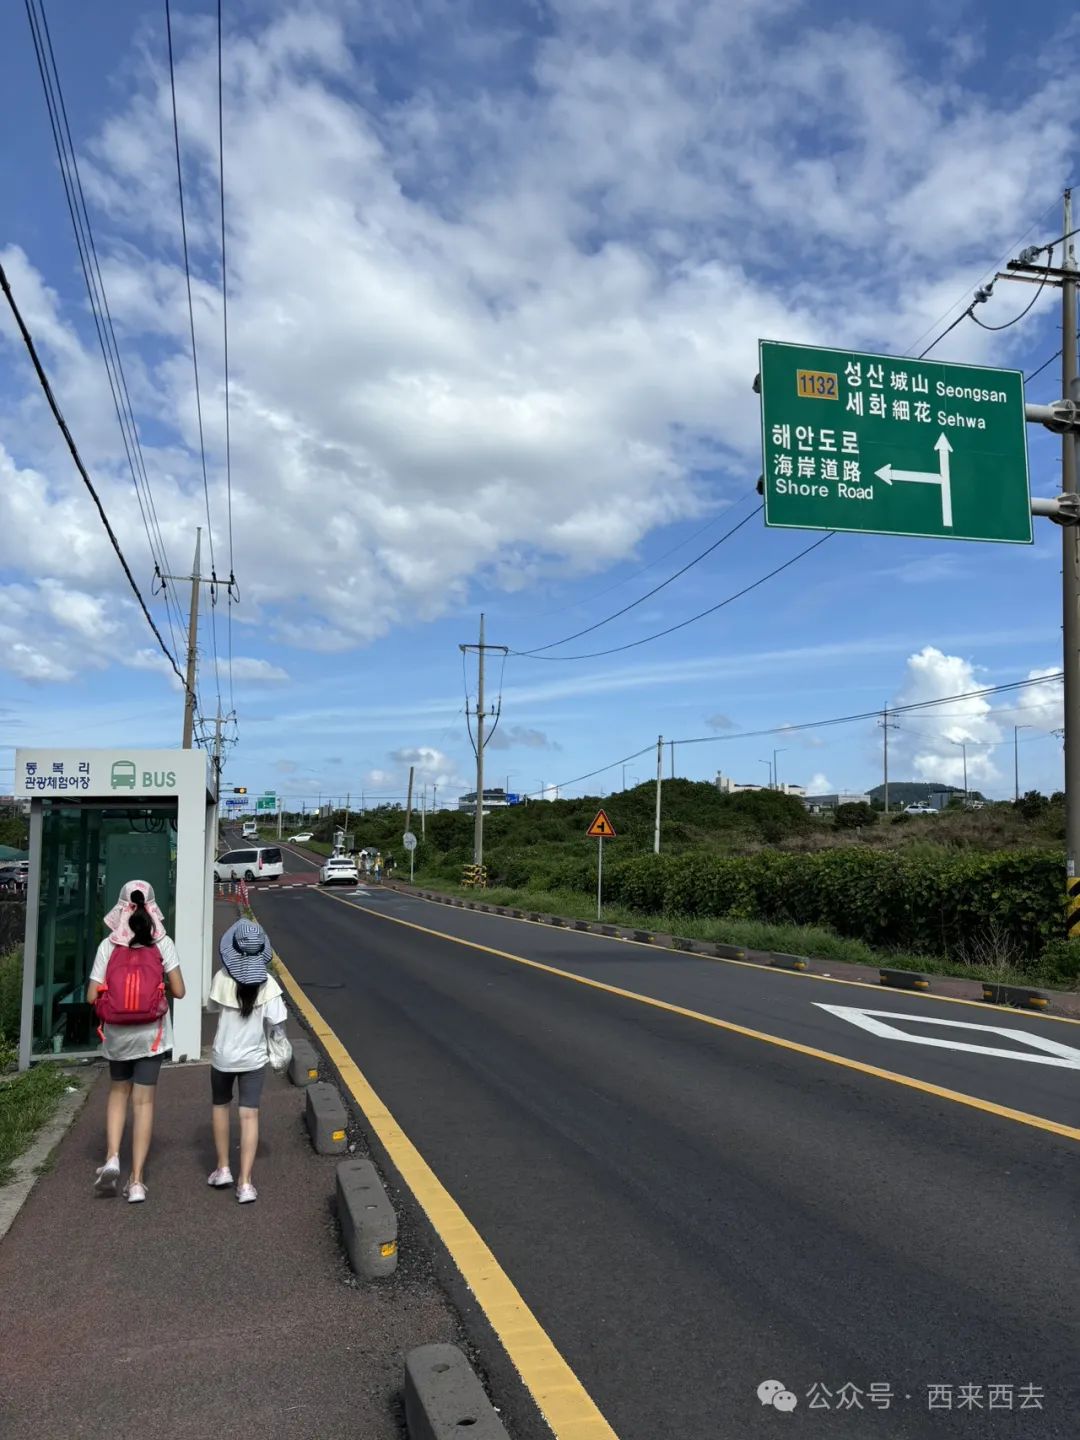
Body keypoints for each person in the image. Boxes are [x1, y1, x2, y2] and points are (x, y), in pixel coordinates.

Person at [87, 880, 185, 1203]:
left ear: (121, 907)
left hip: (117, 1035)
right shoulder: (163, 944)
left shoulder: (108, 945)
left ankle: (113, 1156)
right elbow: (180, 991)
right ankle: (137, 1181)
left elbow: (91, 995)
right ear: (151, 908)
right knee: (143, 1103)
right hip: (151, 1036)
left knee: (118, 1093)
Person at [207, 919, 287, 1203]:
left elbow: (212, 1006)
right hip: (254, 1059)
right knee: (249, 1115)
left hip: (223, 1057)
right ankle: (245, 1183)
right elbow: (277, 1022)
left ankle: (223, 1168)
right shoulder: (269, 985)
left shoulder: (222, 979)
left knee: (220, 1107)